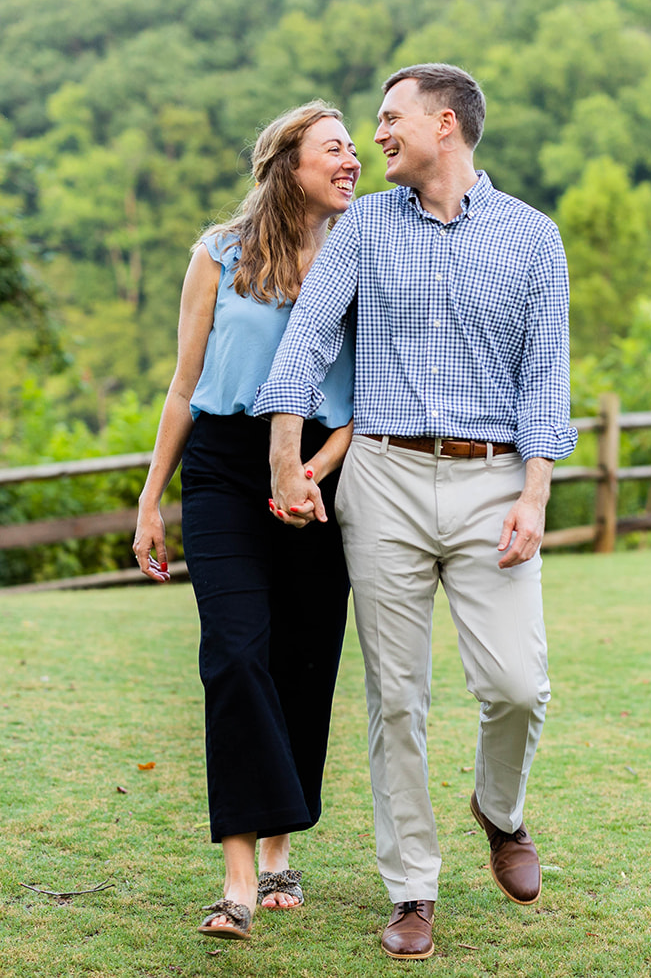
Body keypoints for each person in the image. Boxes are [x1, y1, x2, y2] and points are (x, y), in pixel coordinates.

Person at [254, 63, 576, 961]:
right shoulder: (361, 230)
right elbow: (310, 335)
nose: (375, 137)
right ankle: (412, 888)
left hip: (495, 481)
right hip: (385, 479)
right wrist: (287, 453)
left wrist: (536, 492)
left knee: (518, 685)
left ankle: (499, 811)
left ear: (446, 124)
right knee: (396, 696)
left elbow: (545, 378)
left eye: (390, 120)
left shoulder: (532, 237)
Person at [132, 101, 361, 942]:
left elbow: (369, 396)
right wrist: (152, 496)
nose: (352, 161)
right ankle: (236, 875)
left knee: (303, 661)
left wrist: (313, 469)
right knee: (232, 653)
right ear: (288, 165)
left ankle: (278, 850)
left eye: (353, 150)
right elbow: (185, 382)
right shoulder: (217, 254)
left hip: (317, 469)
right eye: (334, 149)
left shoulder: (362, 254)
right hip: (226, 470)